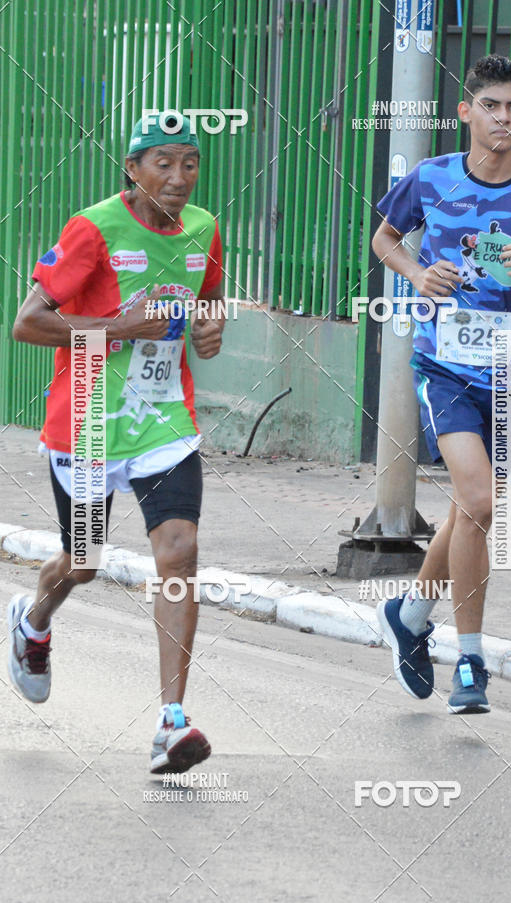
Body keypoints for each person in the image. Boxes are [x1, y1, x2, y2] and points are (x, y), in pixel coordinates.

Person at [372, 55, 511, 714]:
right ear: (468, 111)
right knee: (479, 500)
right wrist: (415, 275)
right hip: (442, 364)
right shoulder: (431, 177)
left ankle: (411, 614)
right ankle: (469, 660)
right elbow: (386, 236)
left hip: (507, 371)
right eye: (491, 105)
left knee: (472, 510)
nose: (504, 118)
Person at [8, 112, 225, 772]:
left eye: (189, 162)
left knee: (180, 553)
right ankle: (33, 621)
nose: (179, 177)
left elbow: (210, 293)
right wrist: (118, 326)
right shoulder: (93, 228)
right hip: (89, 422)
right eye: (162, 162)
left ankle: (171, 722)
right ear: (132, 168)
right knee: (84, 560)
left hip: (164, 423)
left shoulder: (204, 228)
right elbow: (27, 323)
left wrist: (212, 327)